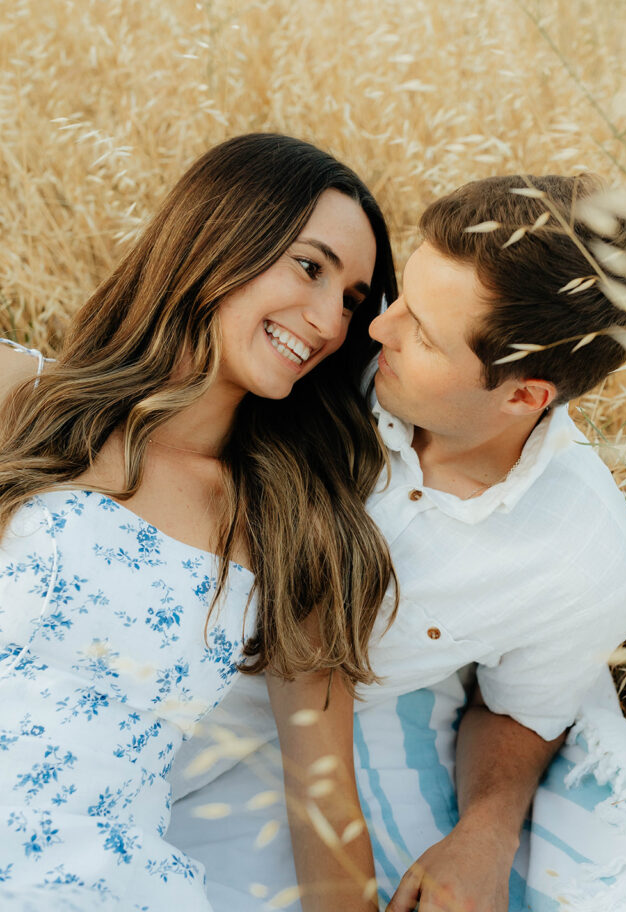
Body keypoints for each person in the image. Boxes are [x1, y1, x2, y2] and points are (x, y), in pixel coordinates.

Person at [168, 172, 626, 911]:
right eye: (401, 296)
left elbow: (520, 709)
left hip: (223, 762)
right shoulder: (312, 359)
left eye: (423, 334)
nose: (374, 328)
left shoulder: (584, 562)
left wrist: (487, 830)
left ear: (524, 395)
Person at [0, 132, 400, 912]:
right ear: (221, 235)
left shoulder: (288, 524)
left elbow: (325, 807)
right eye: (310, 267)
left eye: (351, 301)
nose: (326, 321)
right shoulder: (21, 397)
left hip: (89, 889)